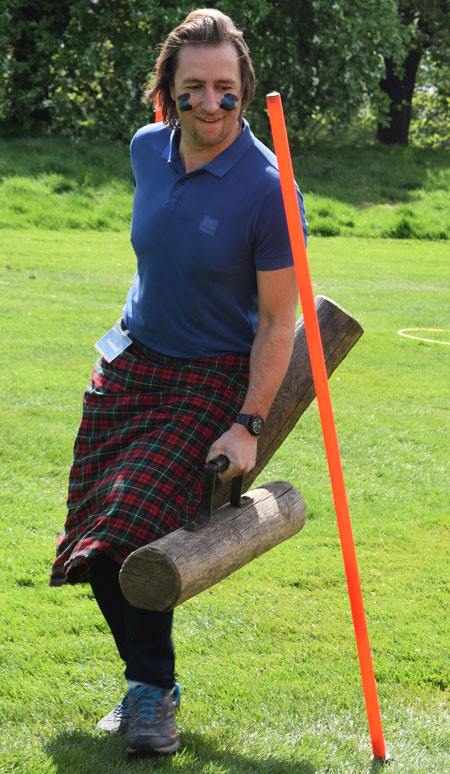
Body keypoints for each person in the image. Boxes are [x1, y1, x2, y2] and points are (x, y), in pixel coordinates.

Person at [49, 7, 306, 758]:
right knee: (96, 537)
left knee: (130, 530)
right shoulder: (146, 149)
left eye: (226, 87)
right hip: (131, 366)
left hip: (209, 380)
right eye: (193, 85)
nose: (210, 102)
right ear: (168, 88)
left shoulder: (269, 189)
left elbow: (277, 323)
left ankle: (150, 695)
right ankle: (149, 686)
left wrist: (249, 424)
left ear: (245, 89)